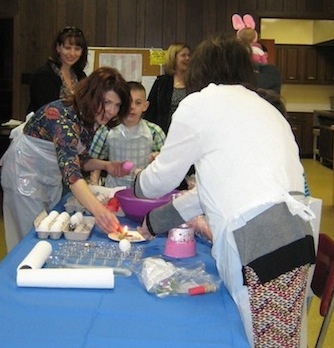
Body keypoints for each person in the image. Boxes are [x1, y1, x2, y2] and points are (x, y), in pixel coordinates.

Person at [133, 34, 316, 347]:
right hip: (295, 238)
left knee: (267, 342)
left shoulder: (200, 104)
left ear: (199, 72)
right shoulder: (264, 108)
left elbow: (160, 180)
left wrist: (138, 182)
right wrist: (153, 222)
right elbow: (207, 192)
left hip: (260, 245)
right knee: (273, 339)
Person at [0, 67, 131, 251]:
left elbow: (79, 159)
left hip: (48, 173)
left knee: (50, 228)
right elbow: (71, 171)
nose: (111, 110)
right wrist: (99, 211)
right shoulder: (63, 118)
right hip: (24, 174)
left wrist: (107, 165)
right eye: (107, 102)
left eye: (117, 105)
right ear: (92, 95)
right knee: (30, 237)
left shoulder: (90, 118)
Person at [89, 81, 166, 188]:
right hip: (113, 189)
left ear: (145, 106)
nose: (132, 107)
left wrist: (157, 157)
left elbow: (166, 163)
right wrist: (95, 186)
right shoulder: (106, 129)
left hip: (144, 189)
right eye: (128, 102)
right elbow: (94, 162)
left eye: (138, 103)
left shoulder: (155, 132)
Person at [27, 26, 88, 113]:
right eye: (67, 48)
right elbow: (47, 109)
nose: (72, 53)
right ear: (58, 48)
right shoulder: (43, 75)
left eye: (77, 49)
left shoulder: (80, 75)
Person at [144, 42, 190, 135]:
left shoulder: (195, 82)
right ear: (173, 58)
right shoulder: (161, 83)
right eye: (183, 55)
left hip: (188, 133)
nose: (187, 58)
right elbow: (151, 112)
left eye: (189, 55)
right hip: (164, 133)